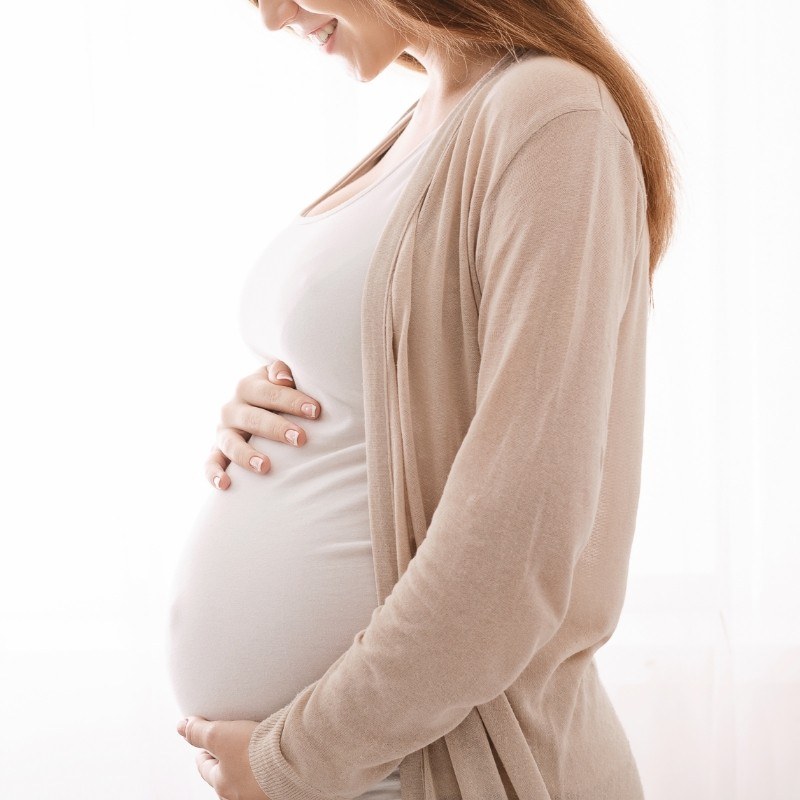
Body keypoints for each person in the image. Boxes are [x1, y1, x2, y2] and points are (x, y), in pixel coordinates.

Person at [170, 0, 678, 799]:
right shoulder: (432, 115)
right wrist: (274, 401)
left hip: (432, 770)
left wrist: (289, 761)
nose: (270, 16)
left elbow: (518, 543)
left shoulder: (551, 116)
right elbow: (400, 385)